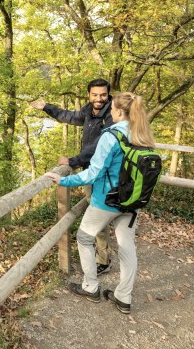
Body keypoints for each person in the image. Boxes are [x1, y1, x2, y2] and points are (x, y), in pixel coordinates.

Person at [46, 92, 156, 314]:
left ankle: (90, 287)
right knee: (127, 247)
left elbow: (93, 173)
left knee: (84, 238)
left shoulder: (111, 136)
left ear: (117, 111)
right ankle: (123, 298)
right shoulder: (142, 133)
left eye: (112, 108)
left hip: (106, 201)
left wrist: (63, 180)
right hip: (132, 202)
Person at [31, 79, 114, 275]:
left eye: (103, 95)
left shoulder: (111, 115)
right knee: (98, 212)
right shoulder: (89, 111)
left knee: (98, 214)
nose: (99, 98)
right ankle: (103, 256)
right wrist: (46, 107)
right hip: (90, 170)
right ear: (89, 95)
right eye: (95, 95)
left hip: (102, 173)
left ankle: (103, 260)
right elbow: (69, 116)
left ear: (108, 94)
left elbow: (98, 146)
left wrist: (72, 161)